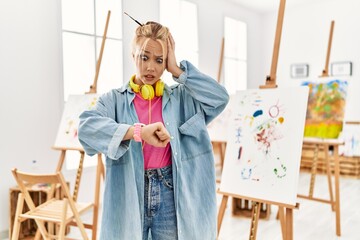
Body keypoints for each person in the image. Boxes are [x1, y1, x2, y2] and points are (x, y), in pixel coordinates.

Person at [78, 18, 229, 240]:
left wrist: (176, 69)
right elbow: (85, 128)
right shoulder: (114, 100)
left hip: (170, 189)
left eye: (159, 60)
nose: (151, 67)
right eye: (144, 57)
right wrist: (136, 132)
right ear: (133, 55)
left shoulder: (180, 98)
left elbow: (219, 98)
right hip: (131, 189)